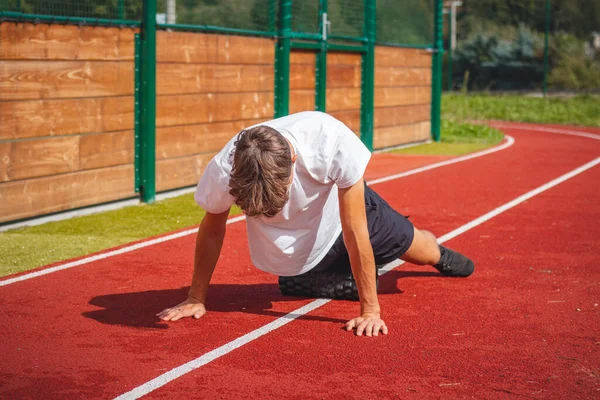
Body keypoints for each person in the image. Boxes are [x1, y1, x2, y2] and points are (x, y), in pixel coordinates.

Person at [157, 111, 474, 337]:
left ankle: (435, 252)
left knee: (419, 249)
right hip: (300, 246)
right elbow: (213, 228)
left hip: (344, 217)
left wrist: (370, 311)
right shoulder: (226, 166)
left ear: (293, 161)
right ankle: (332, 277)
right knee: (292, 279)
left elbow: (355, 230)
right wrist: (196, 297)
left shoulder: (329, 139)